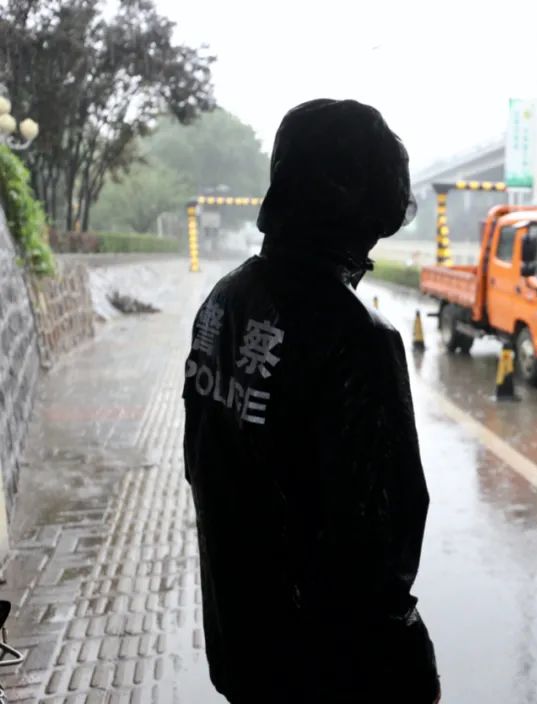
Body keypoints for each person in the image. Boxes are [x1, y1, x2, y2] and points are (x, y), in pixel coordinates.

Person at [183, 99, 439, 703]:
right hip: (326, 673)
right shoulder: (358, 340)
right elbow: (382, 549)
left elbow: (202, 460)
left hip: (241, 643)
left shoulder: (224, 301)